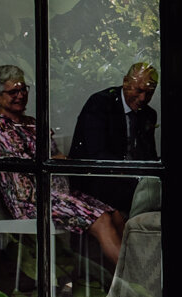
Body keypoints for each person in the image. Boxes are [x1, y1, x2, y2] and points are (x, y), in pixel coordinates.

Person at [0, 64, 126, 266]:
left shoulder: (32, 122)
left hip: (57, 194)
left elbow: (55, 154)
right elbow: (34, 165)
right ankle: (131, 282)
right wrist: (59, 159)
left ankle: (128, 278)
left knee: (115, 215)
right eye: (13, 91)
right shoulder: (0, 129)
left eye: (23, 89)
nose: (21, 95)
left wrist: (59, 159)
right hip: (31, 202)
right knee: (101, 220)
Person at [67, 61, 158, 215]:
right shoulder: (100, 104)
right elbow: (98, 156)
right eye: (139, 90)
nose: (143, 98)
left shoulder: (148, 114)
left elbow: (149, 155)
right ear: (125, 82)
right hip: (97, 178)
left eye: (149, 93)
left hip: (131, 180)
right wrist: (136, 178)